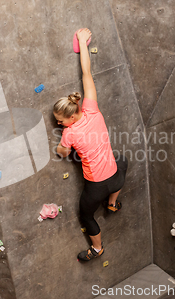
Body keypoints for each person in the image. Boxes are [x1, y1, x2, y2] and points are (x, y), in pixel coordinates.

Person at [54, 28, 128, 262]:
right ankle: (113, 204)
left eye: (60, 120)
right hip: (116, 175)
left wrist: (63, 144)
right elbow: (87, 73)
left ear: (71, 119)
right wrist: (83, 42)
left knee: (86, 215)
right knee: (123, 160)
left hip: (96, 186)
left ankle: (97, 249)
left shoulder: (69, 134)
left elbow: (63, 153)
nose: (58, 122)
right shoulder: (92, 109)